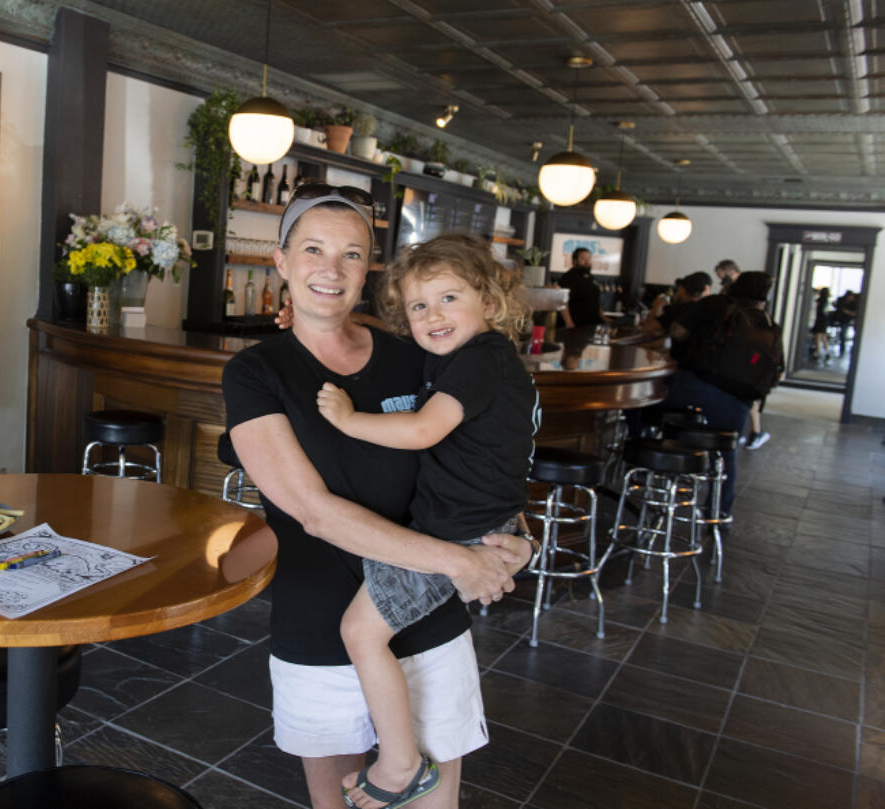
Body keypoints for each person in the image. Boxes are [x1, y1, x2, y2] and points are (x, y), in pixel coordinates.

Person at [222, 183, 534, 809]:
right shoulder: (256, 372)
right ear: (281, 261)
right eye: (312, 250)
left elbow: (476, 453)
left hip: (427, 624)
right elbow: (312, 511)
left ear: (369, 271)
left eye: (352, 255)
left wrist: (516, 538)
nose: (330, 270)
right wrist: (459, 561)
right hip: (321, 628)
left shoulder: (418, 354)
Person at [314, 234, 538, 809]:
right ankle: (401, 758)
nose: (432, 316)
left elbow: (420, 430)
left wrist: (346, 419)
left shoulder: (480, 360)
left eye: (448, 299)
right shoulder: (476, 357)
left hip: (455, 534)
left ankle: (400, 764)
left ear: (489, 302)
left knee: (361, 633)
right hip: (479, 521)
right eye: (418, 306)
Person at [665, 271, 782, 515]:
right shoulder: (765, 320)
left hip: (696, 384)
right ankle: (719, 512)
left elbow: (677, 331)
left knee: (644, 405)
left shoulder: (715, 303)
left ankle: (662, 468)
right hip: (739, 397)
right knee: (726, 452)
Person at [642, 271, 711, 336]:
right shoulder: (707, 309)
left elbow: (647, 328)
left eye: (678, 288)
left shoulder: (679, 309)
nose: (677, 291)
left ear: (682, 289)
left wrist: (656, 306)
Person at [557, 248, 608, 328]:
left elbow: (595, 301)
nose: (587, 261)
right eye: (583, 258)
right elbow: (562, 301)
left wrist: (603, 317)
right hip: (576, 325)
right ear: (574, 261)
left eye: (589, 258)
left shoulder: (590, 277)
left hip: (591, 324)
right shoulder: (569, 277)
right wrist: (569, 322)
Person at [810, 287, 831, 362]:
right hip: (824, 321)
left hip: (819, 320)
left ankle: (818, 352)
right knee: (823, 337)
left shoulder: (819, 301)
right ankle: (827, 352)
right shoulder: (826, 301)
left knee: (818, 337)